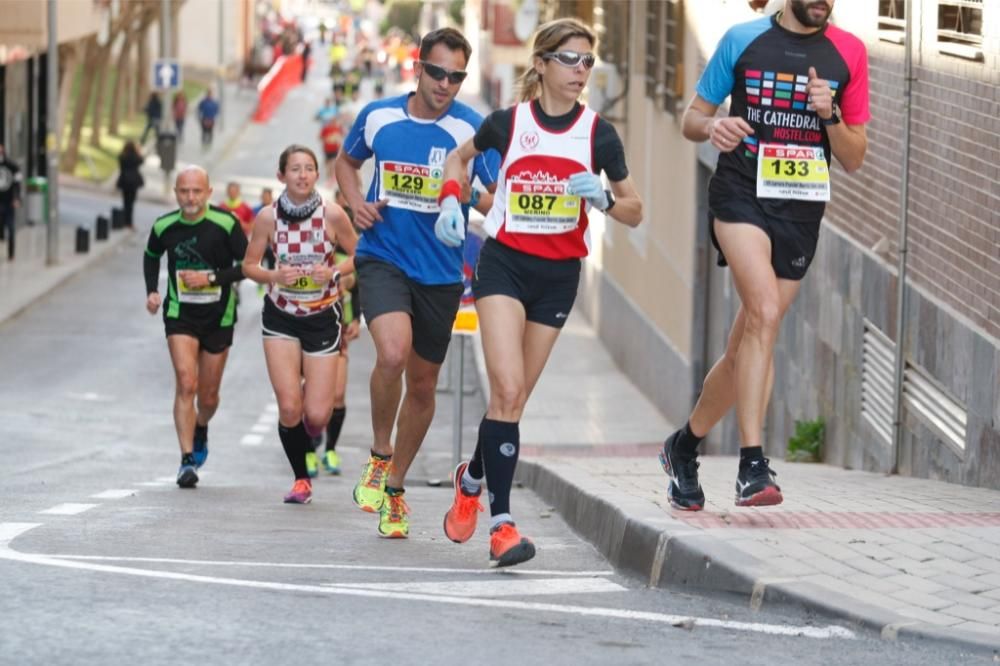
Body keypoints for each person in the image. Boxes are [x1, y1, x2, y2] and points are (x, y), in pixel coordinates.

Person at [436, 18, 643, 567]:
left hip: (558, 275)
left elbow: (635, 210)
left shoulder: (598, 133)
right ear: (544, 64)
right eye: (572, 60)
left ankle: (473, 477)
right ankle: (501, 524)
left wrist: (601, 197)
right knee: (505, 388)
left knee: (514, 399)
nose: (582, 72)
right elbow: (457, 160)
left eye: (588, 63)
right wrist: (451, 202)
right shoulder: (509, 123)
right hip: (503, 264)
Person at [657, 0, 869, 511]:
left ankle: (683, 446)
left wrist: (830, 114)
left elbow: (855, 156)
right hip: (739, 194)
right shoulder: (742, 39)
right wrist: (713, 128)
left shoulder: (849, 53)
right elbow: (691, 118)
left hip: (800, 210)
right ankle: (752, 465)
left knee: (748, 343)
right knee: (765, 312)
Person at [334, 27, 499, 539]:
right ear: (417, 67)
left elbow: (496, 195)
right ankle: (380, 453)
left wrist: (465, 202)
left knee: (423, 384)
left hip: (442, 272)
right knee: (391, 353)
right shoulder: (380, 116)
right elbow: (345, 162)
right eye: (438, 71)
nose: (446, 83)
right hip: (383, 255)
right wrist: (355, 204)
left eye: (457, 76)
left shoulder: (471, 129)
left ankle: (397, 487)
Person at [242, 145, 357, 505]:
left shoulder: (333, 215)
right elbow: (249, 265)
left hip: (322, 317)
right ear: (282, 176)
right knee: (290, 407)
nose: (303, 175)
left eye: (309, 168)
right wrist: (274, 274)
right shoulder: (267, 218)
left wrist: (334, 270)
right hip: (280, 316)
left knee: (318, 414)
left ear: (316, 175)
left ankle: (310, 425)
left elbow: (363, 253)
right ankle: (301, 479)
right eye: (295, 169)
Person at [143, 166, 248, 488]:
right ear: (175, 192)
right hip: (180, 314)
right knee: (186, 383)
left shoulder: (226, 223)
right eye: (184, 191)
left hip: (219, 316)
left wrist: (211, 278)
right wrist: (152, 290)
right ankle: (187, 459)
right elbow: (151, 256)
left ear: (208, 192)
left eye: (196, 191)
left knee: (209, 396)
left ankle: (201, 425)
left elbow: (248, 266)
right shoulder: (164, 226)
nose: (190, 197)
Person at [309, 188, 363, 477]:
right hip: (302, 324)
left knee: (338, 394)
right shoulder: (302, 243)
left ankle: (330, 449)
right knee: (309, 394)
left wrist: (359, 318)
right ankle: (307, 449)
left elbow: (358, 281)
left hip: (336, 325)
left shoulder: (347, 250)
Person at [0, 144, 23, 260]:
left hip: (8, 202)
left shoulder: (12, 166)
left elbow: (18, 184)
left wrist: (17, 198)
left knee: (11, 228)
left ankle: (11, 254)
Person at [116, 141, 144, 228]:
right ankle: (129, 223)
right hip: (133, 182)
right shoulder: (136, 157)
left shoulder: (122, 157)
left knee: (125, 202)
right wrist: (139, 150)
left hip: (124, 180)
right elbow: (141, 160)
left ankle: (124, 221)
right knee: (131, 203)